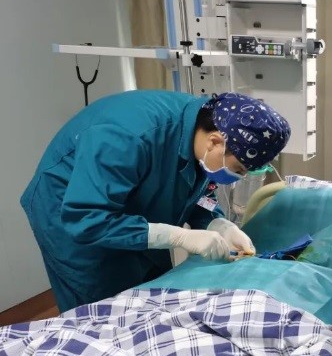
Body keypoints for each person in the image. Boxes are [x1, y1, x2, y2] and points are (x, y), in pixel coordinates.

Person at [21, 91, 291, 313]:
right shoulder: (126, 137)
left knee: (150, 292)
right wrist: (177, 236)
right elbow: (85, 218)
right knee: (104, 307)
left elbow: (197, 191)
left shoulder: (200, 135)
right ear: (214, 142)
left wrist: (216, 222)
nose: (236, 178)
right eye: (239, 169)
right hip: (74, 213)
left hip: (135, 203)